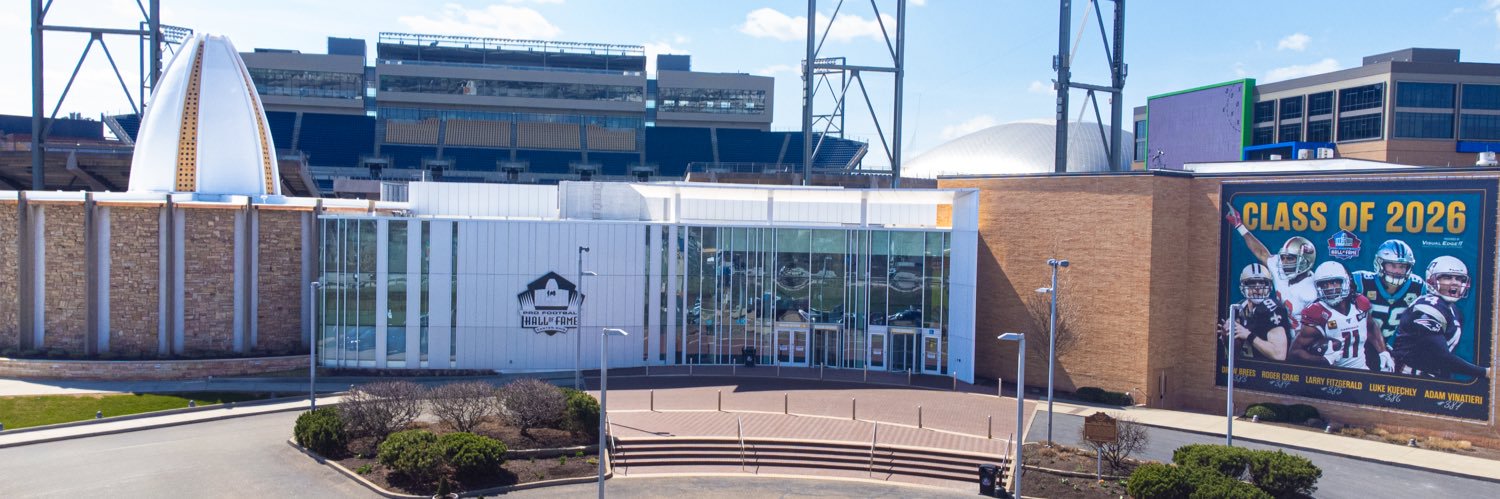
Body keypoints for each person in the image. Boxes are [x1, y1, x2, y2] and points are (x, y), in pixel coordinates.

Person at [1393, 256, 1493, 380]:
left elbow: (1444, 363)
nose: (1455, 282)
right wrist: (1486, 372)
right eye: (1447, 277)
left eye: (1459, 278)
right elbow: (1441, 357)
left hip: (1433, 378)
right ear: (1430, 280)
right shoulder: (1427, 308)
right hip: (1409, 379)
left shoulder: (1454, 310)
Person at [1225, 205, 1319, 328]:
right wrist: (1239, 226)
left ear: (1306, 261)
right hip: (1281, 335)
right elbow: (1261, 252)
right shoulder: (1280, 268)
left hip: (1302, 341)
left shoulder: (1312, 291)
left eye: (1290, 258)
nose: (1284, 262)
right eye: (1283, 257)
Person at [1289, 262, 1393, 370]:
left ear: (1346, 282)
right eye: (1324, 284)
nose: (1329, 288)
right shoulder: (1317, 312)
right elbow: (1294, 353)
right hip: (1332, 377)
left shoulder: (1360, 303)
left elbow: (1371, 327)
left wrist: (1383, 352)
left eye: (1334, 283)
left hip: (1362, 371)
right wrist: (1322, 361)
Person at [1219, 263, 1291, 361]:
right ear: (1242, 287)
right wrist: (1226, 336)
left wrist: (1248, 335)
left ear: (1269, 286)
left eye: (1262, 283)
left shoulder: (1272, 309)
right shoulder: (1240, 306)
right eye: (1252, 282)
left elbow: (1279, 355)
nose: (1258, 287)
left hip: (1272, 371)